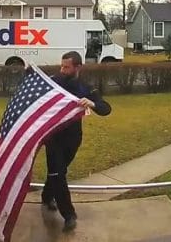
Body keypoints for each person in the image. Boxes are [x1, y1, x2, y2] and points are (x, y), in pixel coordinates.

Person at [41, 51, 111, 232]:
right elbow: (36, 86)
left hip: (73, 138)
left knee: (58, 171)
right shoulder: (53, 81)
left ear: (78, 67)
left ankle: (47, 196)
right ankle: (69, 215)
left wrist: (93, 104)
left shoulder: (86, 88)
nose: (62, 70)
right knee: (58, 173)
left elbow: (106, 109)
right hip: (53, 136)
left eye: (67, 67)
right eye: (61, 66)